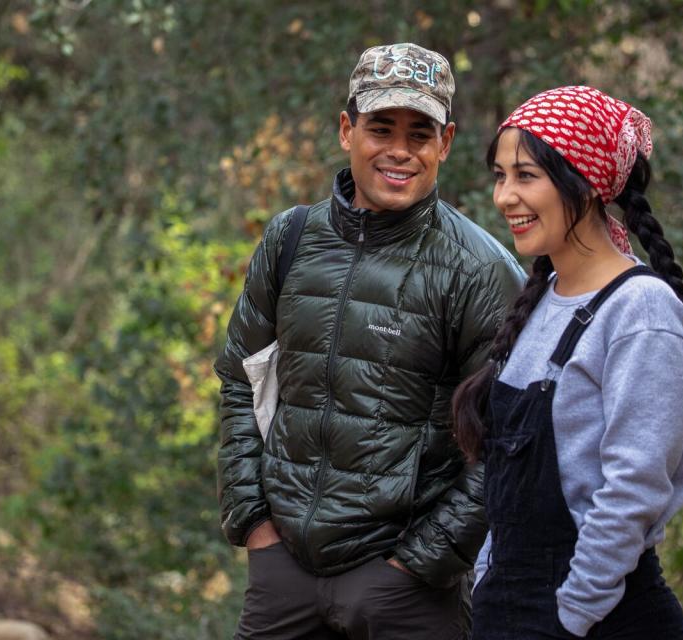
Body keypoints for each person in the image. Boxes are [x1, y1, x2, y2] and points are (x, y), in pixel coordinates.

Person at [215, 42, 527, 640]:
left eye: (421, 133)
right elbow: (239, 379)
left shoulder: (479, 271)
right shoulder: (290, 240)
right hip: (284, 574)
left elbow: (508, 440)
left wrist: (422, 562)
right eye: (381, 127)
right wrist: (255, 524)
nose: (400, 151)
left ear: (447, 142)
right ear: (346, 129)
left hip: (405, 589)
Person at [452, 86, 683, 639]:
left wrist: (571, 615)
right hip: (508, 610)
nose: (505, 196)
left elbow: (633, 490)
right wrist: (487, 576)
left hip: (599, 620)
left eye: (526, 175)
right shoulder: (542, 299)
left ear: (586, 180)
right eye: (500, 176)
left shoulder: (641, 311)